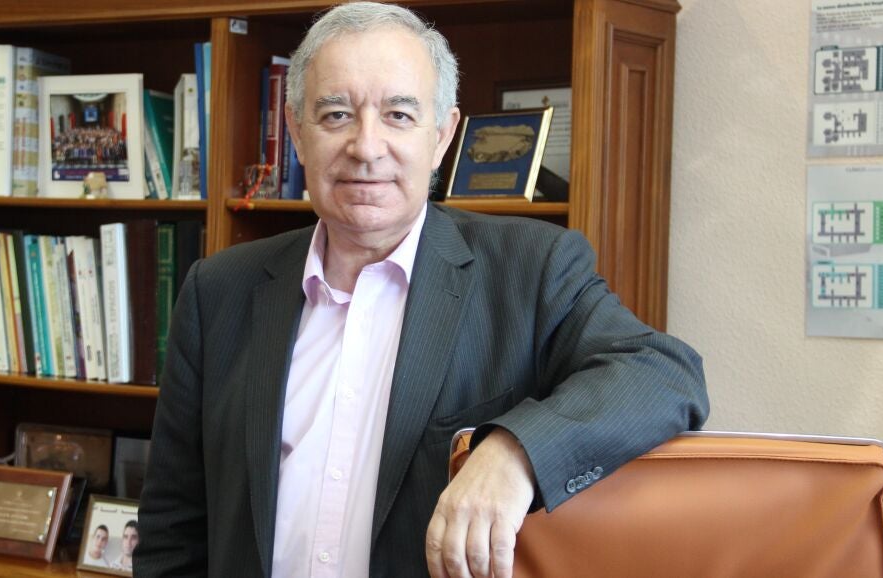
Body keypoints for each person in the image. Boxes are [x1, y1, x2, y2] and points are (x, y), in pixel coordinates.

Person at [135, 2, 708, 577]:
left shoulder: (530, 270)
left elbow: (662, 372)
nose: (366, 146)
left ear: (442, 135)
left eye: (399, 115)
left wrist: (515, 451)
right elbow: (173, 535)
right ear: (296, 132)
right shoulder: (219, 290)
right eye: (336, 114)